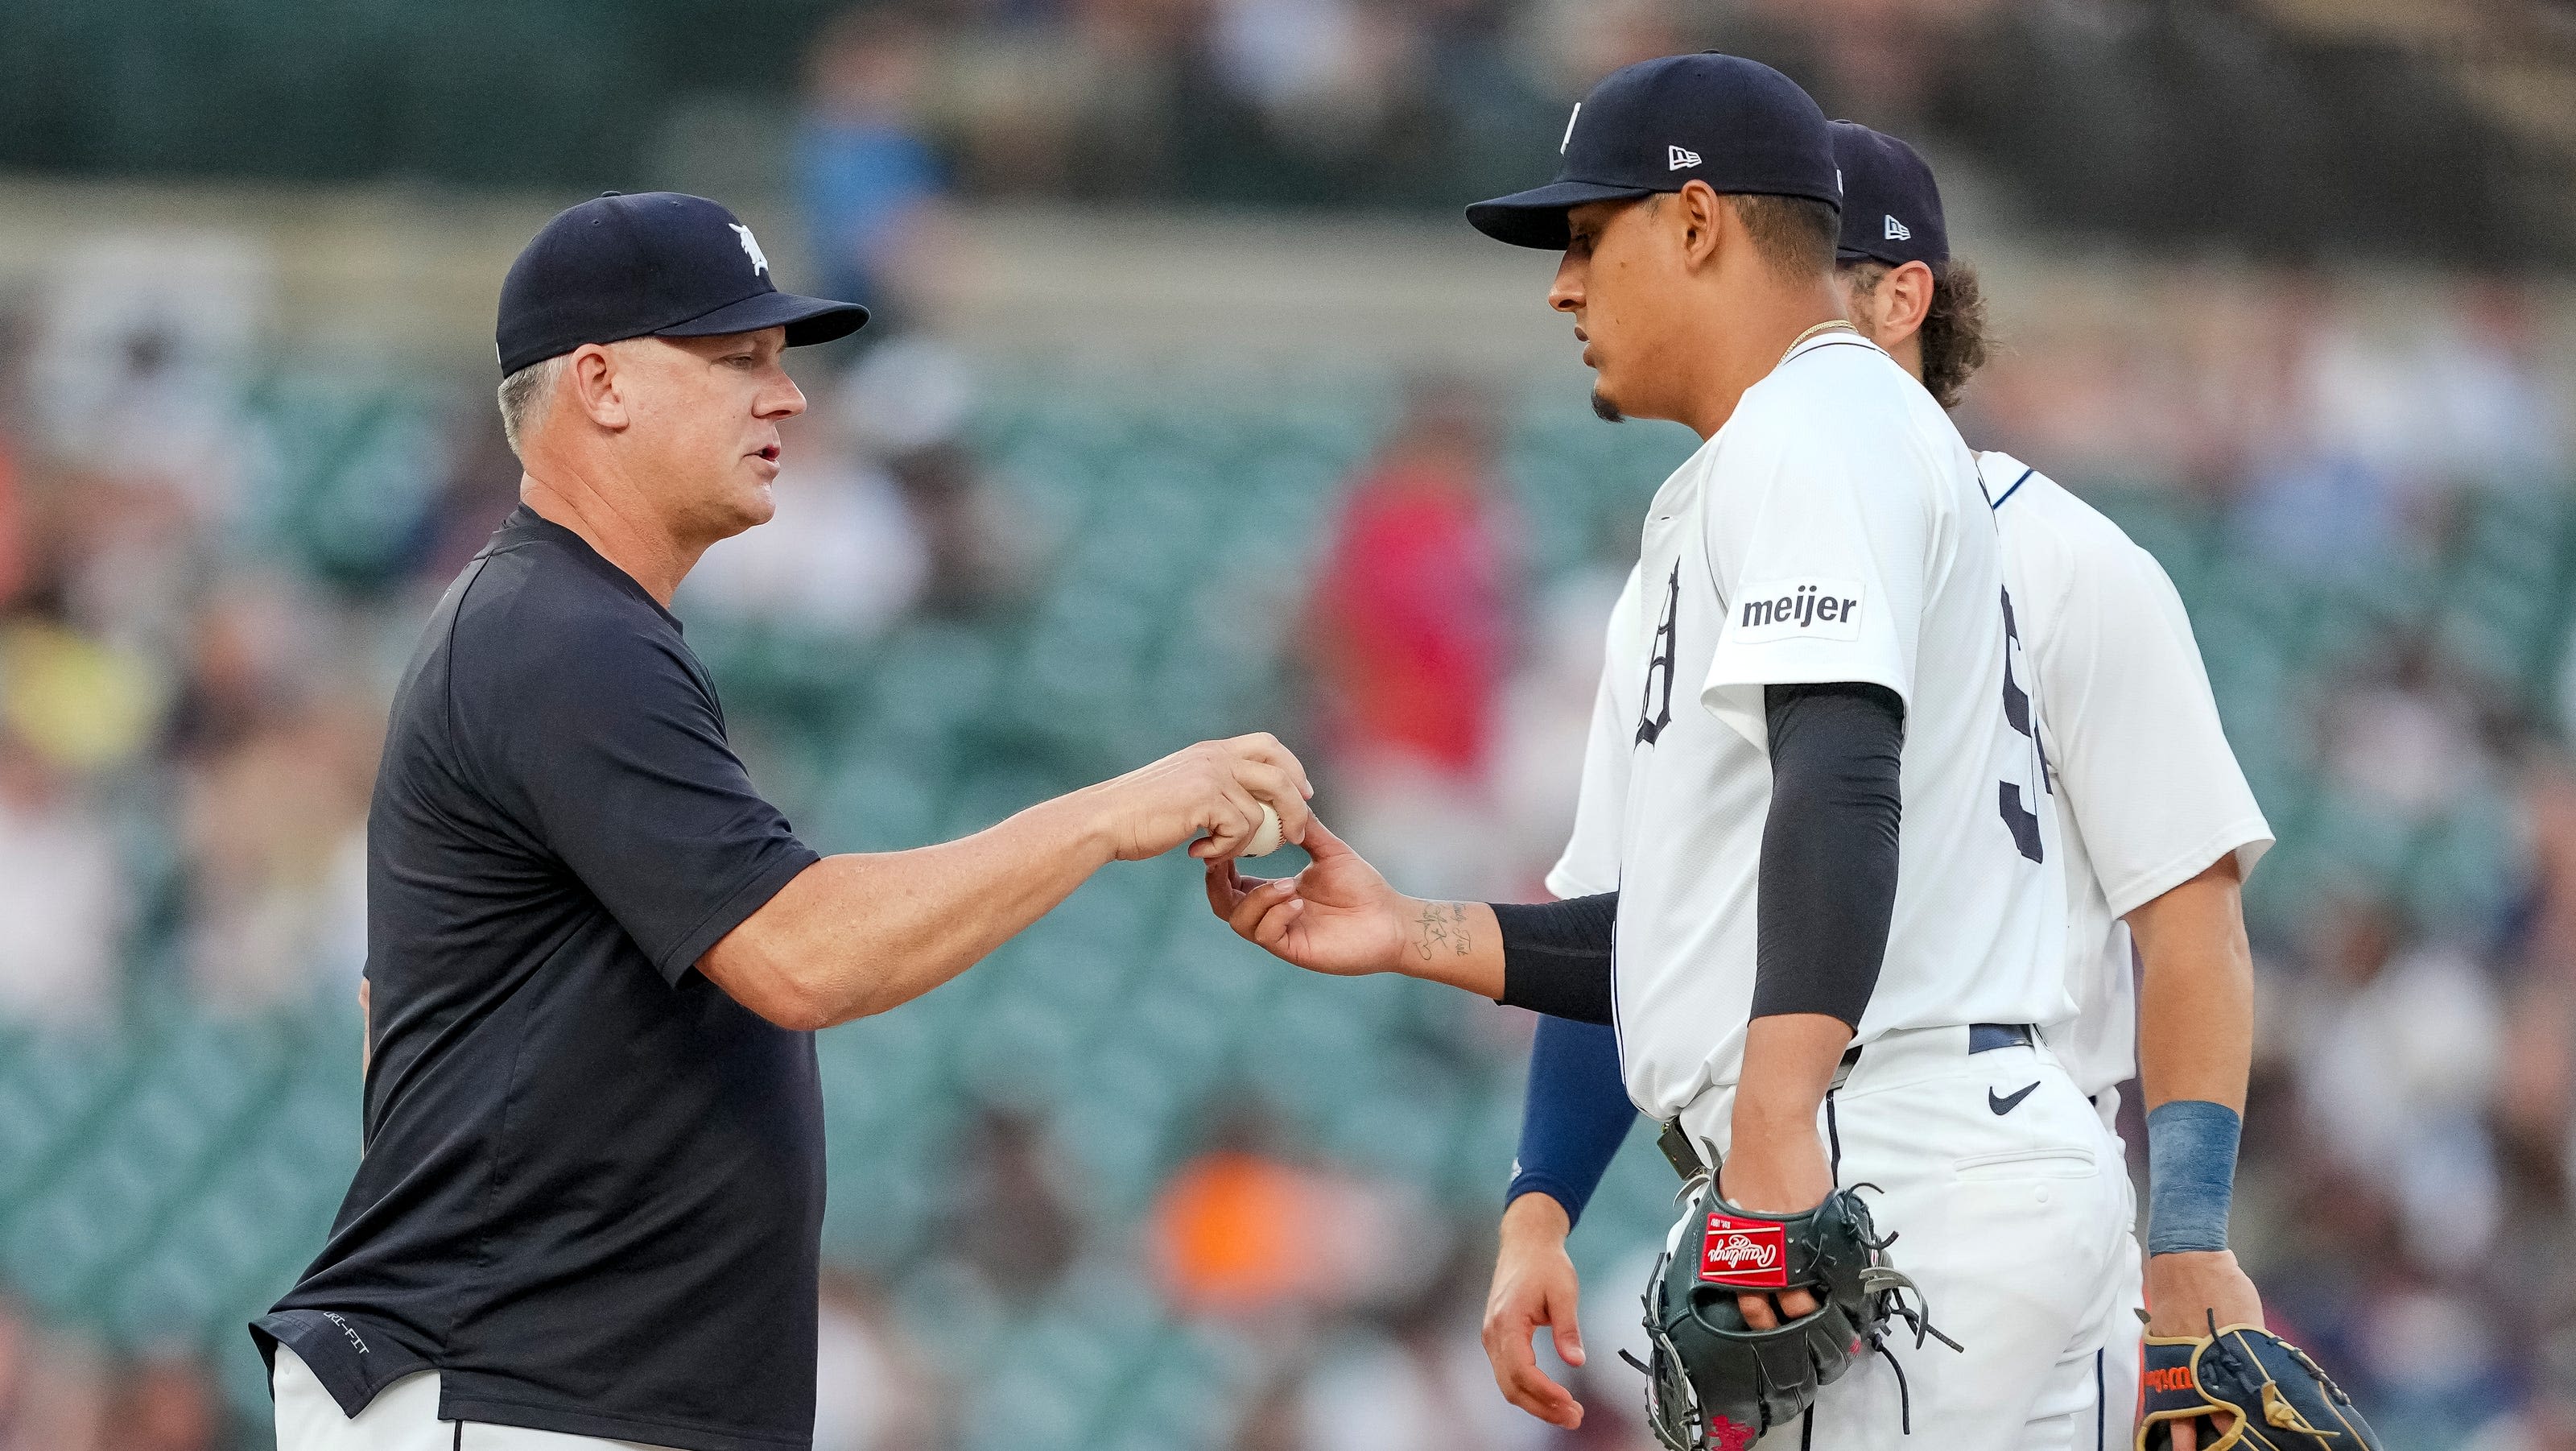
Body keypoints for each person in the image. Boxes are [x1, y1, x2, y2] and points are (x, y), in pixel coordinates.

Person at [253, 191, 1314, 1451]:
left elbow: (400, 1019)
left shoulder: (560, 625)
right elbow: (802, 956)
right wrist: (1110, 811)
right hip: (515, 1391)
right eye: (735, 357)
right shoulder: (560, 634)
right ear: (599, 382)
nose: (788, 393)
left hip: (545, 1386)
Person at [1210, 56, 2129, 1446]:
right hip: (1943, 1143)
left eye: (1590, 238)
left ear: (1696, 225)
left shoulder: (1819, 416)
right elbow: (1665, 932)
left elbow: (1842, 776)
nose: (1562, 286)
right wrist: (1417, 936)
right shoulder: (1753, 474)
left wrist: (1770, 1141)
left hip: (1899, 1141)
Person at [1476, 123, 2275, 1451]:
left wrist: (2190, 1233)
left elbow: (2188, 918)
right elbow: (1635, 913)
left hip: (1961, 1144)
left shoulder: (2076, 566)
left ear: (1899, 298)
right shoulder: (1690, 561)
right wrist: (1541, 1199)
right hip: (1821, 1178)